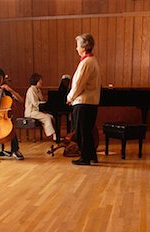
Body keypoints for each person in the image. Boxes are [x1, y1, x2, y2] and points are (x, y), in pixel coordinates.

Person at [66, 33, 101, 165]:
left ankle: (85, 158)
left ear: (84, 47)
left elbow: (78, 84)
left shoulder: (86, 63)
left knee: (81, 132)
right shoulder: (93, 61)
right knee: (87, 131)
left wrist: (70, 97)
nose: (76, 48)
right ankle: (92, 156)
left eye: (77, 46)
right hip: (90, 102)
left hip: (83, 103)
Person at [24, 73, 57, 141]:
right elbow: (35, 103)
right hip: (31, 112)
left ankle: (54, 134)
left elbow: (41, 101)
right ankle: (54, 135)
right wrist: (45, 103)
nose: (41, 82)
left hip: (36, 111)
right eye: (40, 80)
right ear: (36, 81)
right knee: (47, 118)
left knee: (51, 117)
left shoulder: (38, 90)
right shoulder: (31, 90)